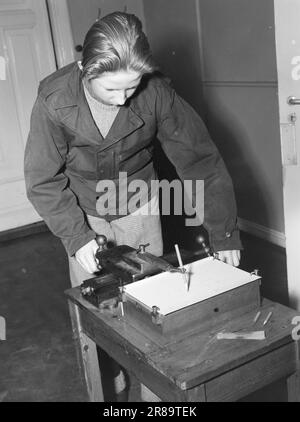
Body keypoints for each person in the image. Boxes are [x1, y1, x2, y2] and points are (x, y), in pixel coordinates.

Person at [24, 11, 242, 401]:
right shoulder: (54, 99)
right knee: (98, 306)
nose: (124, 99)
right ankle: (110, 378)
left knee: (149, 304)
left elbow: (201, 162)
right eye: (111, 90)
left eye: (132, 86)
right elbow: (43, 180)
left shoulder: (156, 92)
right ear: (83, 69)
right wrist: (77, 237)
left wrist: (223, 232)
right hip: (80, 206)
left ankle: (153, 392)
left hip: (139, 199)